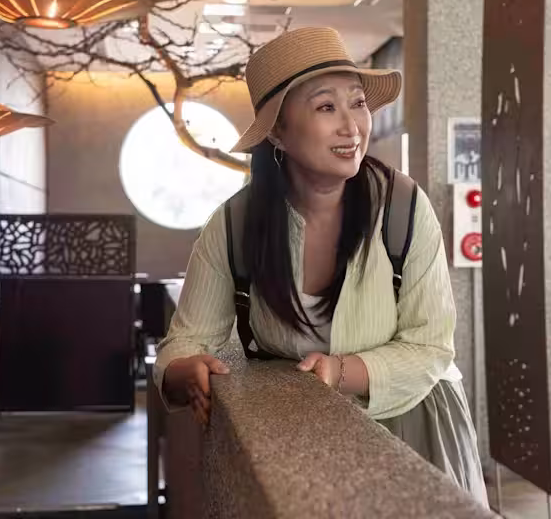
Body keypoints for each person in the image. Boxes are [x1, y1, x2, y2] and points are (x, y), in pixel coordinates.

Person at [154, 27, 488, 506]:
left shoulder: (403, 208)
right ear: (277, 132)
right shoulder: (234, 225)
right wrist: (185, 372)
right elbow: (186, 339)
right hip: (299, 439)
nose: (352, 127)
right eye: (326, 107)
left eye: (358, 103)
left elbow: (431, 345)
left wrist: (341, 371)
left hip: (413, 424)